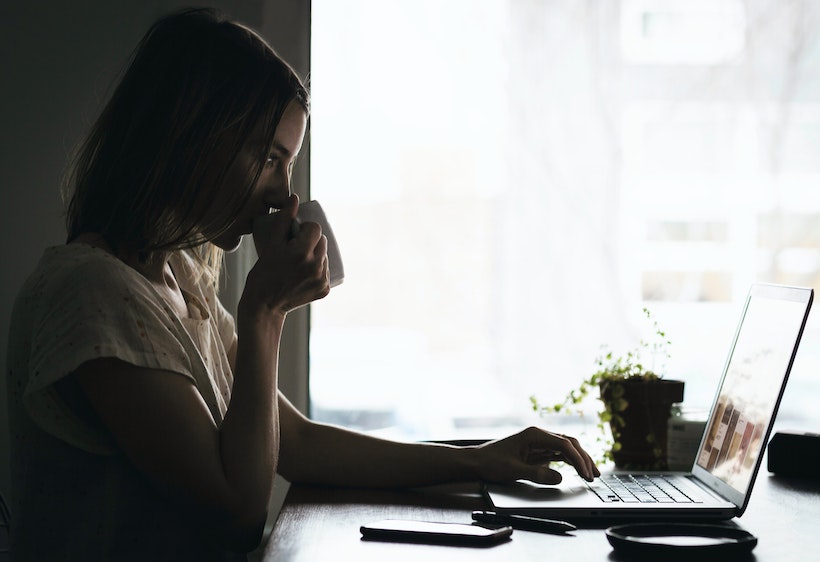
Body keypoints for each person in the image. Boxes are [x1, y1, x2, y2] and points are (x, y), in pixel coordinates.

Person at [6, 7, 599, 561]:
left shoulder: (180, 283)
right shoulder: (92, 293)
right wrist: (265, 310)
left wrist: (481, 459)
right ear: (190, 137)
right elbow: (235, 511)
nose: (283, 193)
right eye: (268, 157)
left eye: (286, 163)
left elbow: (298, 443)